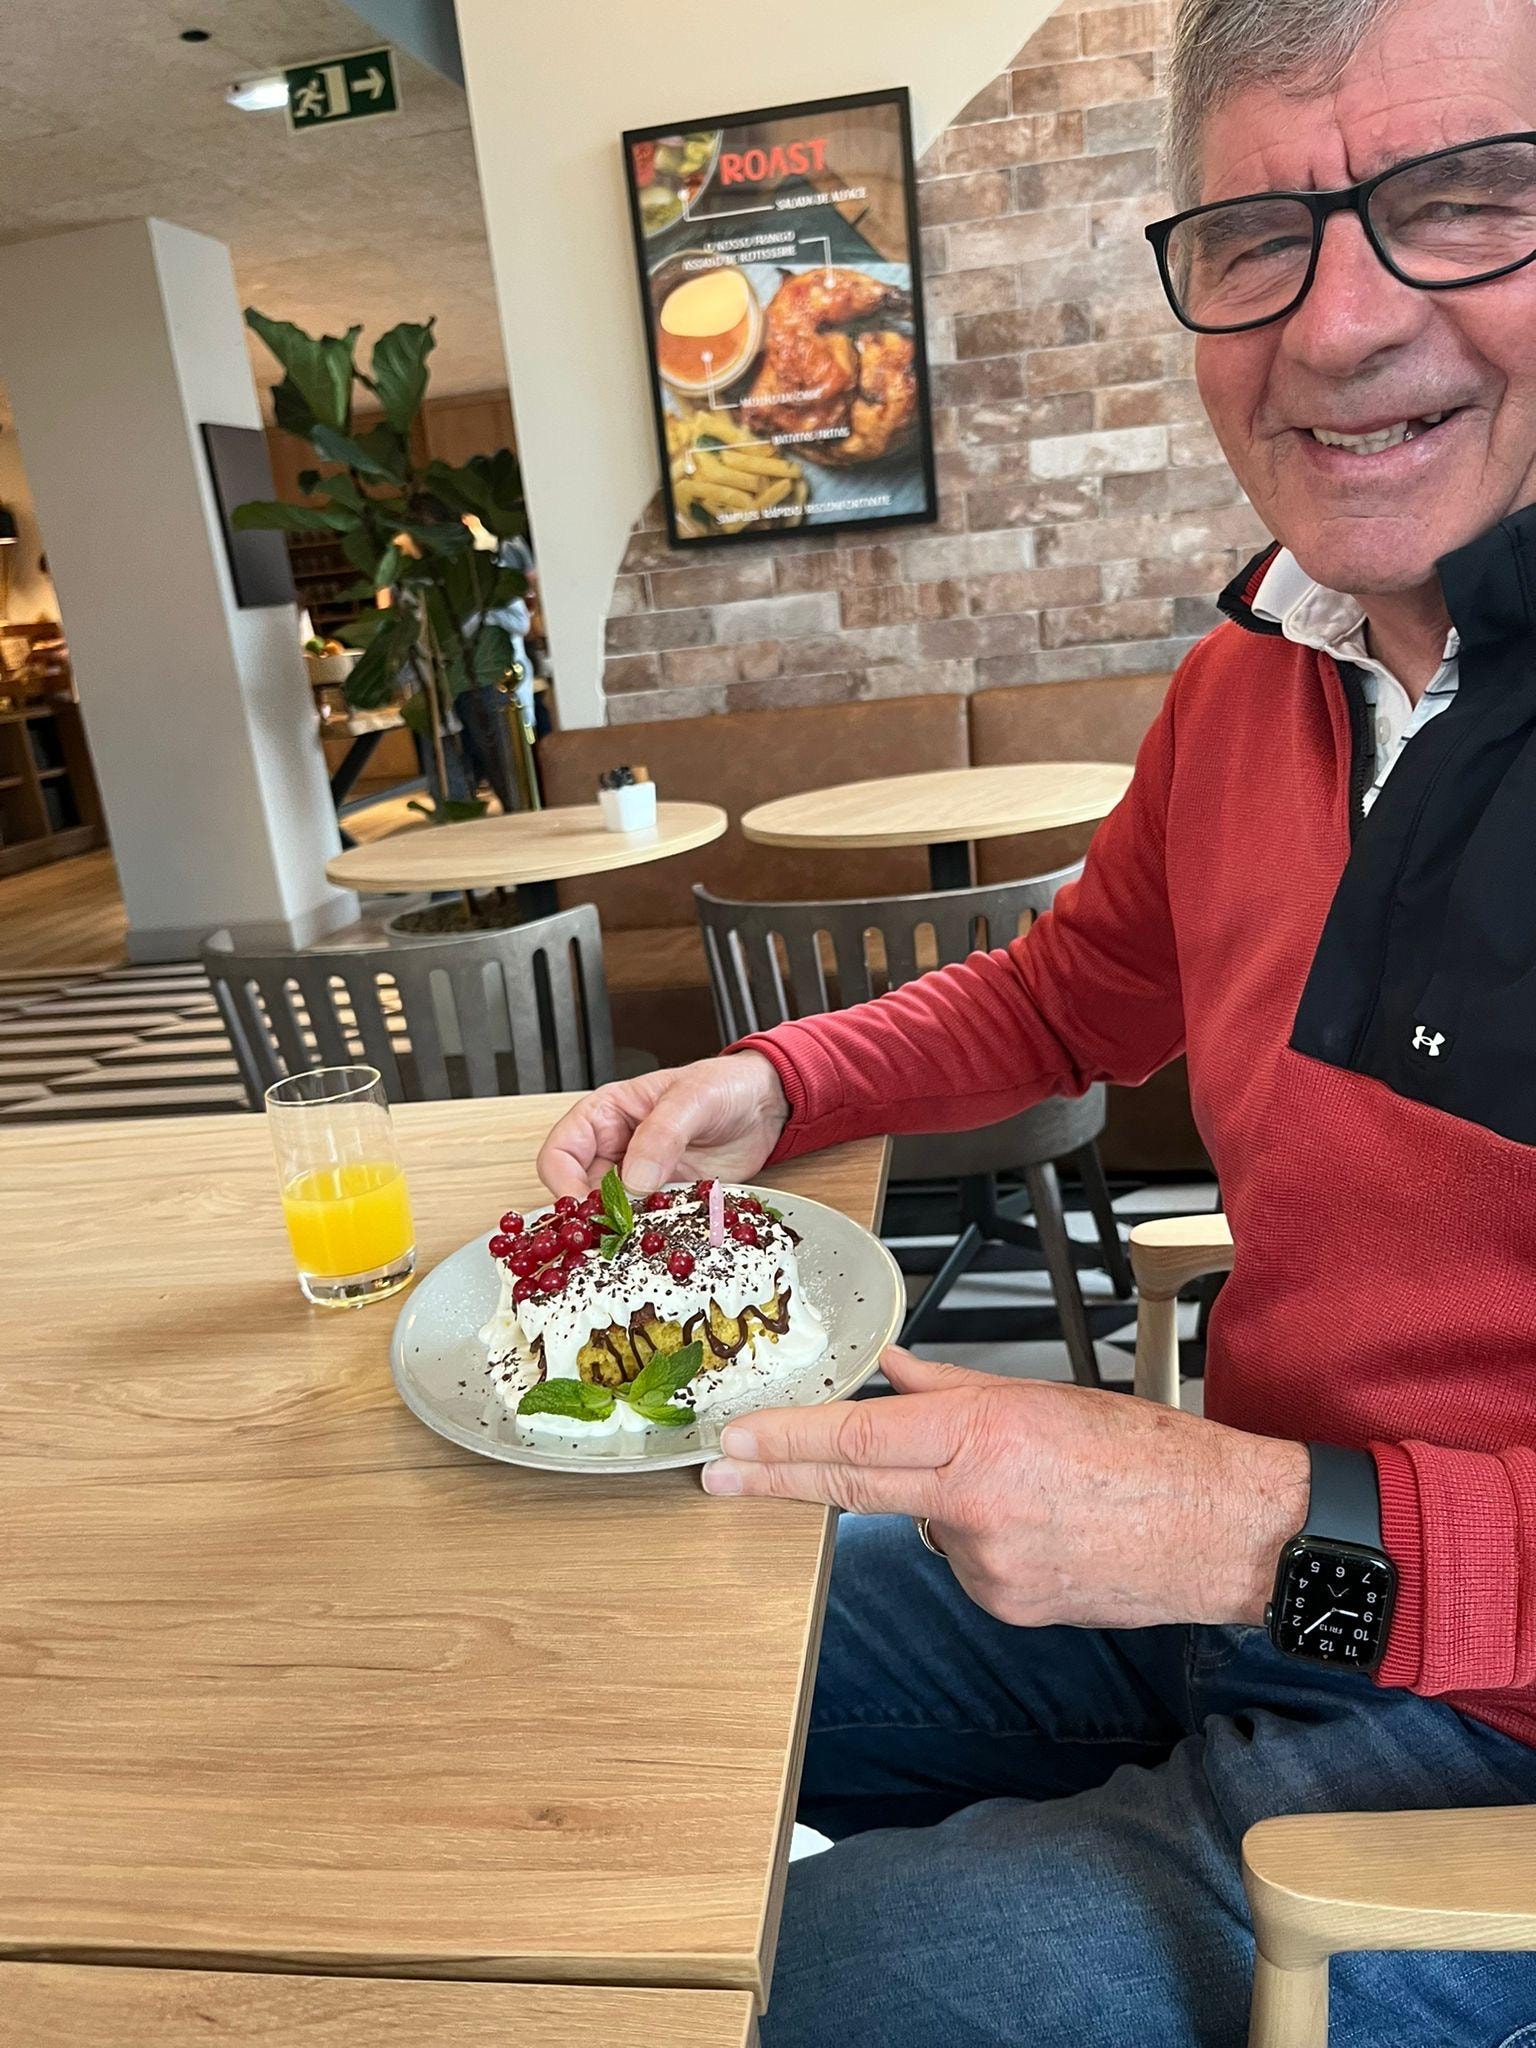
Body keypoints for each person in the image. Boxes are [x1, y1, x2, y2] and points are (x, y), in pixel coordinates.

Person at [538, 0, 1536, 2039]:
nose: (1342, 324)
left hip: (1479, 1746)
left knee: (751, 2000)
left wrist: (1251, 1531)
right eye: (1259, 235)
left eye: (1466, 201)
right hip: (1255, 1570)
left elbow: (1284, 1541)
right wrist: (775, 1075)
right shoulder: (1257, 677)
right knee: (614, 1644)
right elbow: (1076, 989)